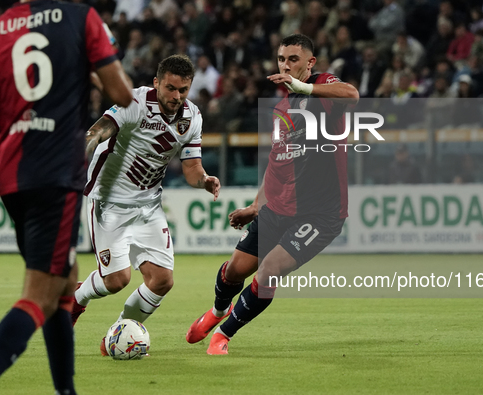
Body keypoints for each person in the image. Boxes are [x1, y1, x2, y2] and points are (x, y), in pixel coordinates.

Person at [0, 0, 133, 394]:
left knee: (65, 281)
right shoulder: (81, 18)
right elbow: (122, 95)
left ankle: (65, 390)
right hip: (56, 174)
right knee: (38, 294)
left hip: (10, 175)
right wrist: (94, 65)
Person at [185, 34, 359, 355]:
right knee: (234, 270)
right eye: (281, 59)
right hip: (279, 208)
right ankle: (218, 311)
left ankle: (223, 335)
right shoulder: (282, 106)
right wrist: (255, 205)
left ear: (310, 62)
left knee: (269, 270)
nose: (286, 65)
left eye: (293, 59)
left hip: (321, 214)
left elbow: (352, 94)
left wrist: (305, 86)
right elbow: (279, 161)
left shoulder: (322, 86)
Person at [71, 54, 220, 356]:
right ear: (156, 83)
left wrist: (203, 180)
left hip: (148, 205)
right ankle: (75, 299)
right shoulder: (134, 103)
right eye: (170, 88)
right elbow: (100, 130)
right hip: (109, 201)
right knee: (117, 280)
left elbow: (191, 167)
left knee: (162, 280)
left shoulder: (192, 118)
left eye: (184, 90)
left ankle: (119, 335)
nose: (177, 96)